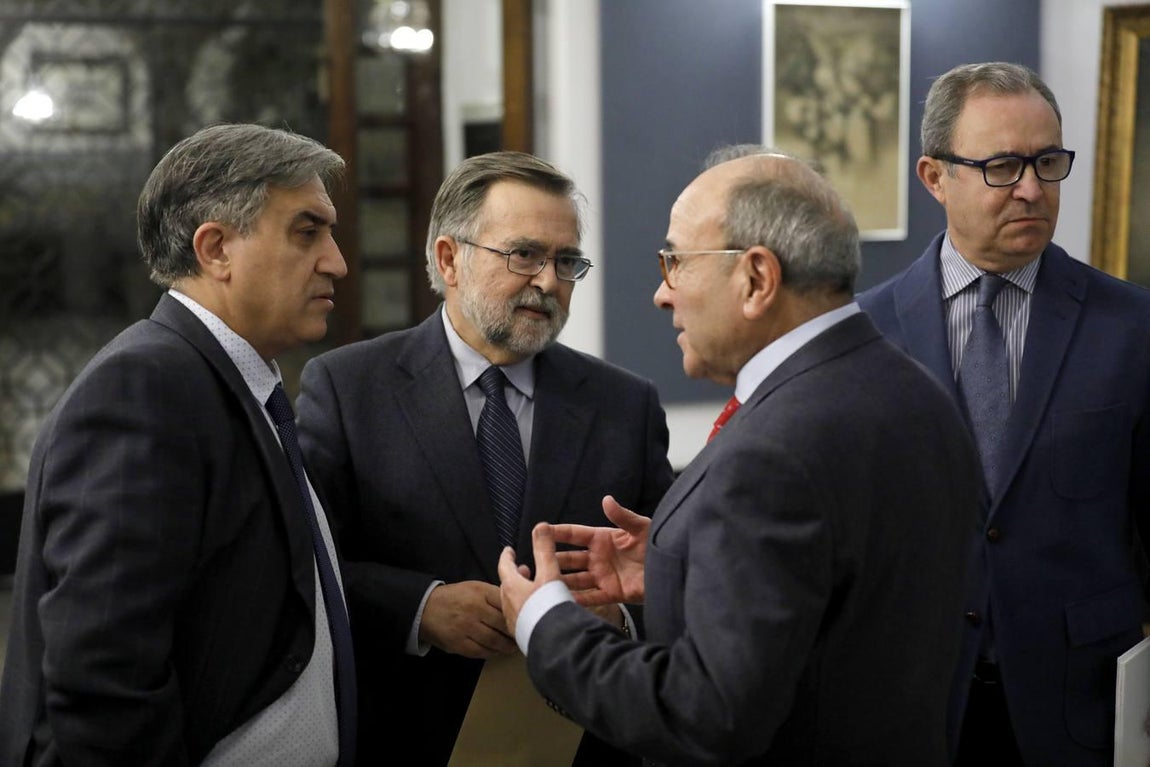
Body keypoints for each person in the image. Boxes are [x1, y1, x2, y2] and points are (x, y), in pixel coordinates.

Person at [497, 146, 981, 765]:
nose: (660, 294)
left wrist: (547, 624)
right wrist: (683, 567)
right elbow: (840, 600)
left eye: (674, 261)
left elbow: (704, 716)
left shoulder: (771, 455)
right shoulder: (917, 394)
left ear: (756, 280)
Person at [295, 150, 676, 766]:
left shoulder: (624, 405)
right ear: (449, 259)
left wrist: (623, 617)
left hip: (582, 741)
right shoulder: (347, 389)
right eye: (523, 255)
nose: (549, 282)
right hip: (411, 735)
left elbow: (671, 572)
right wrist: (422, 608)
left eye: (566, 262)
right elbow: (309, 570)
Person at [0, 123, 356, 766]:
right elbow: (103, 681)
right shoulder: (145, 389)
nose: (336, 260)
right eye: (307, 232)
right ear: (216, 248)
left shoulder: (231, 384)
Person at [856, 61, 1150, 767]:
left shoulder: (1132, 326)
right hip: (912, 702)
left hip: (1081, 704)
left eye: (1048, 162)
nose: (1031, 188)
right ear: (934, 177)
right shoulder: (864, 331)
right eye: (1002, 166)